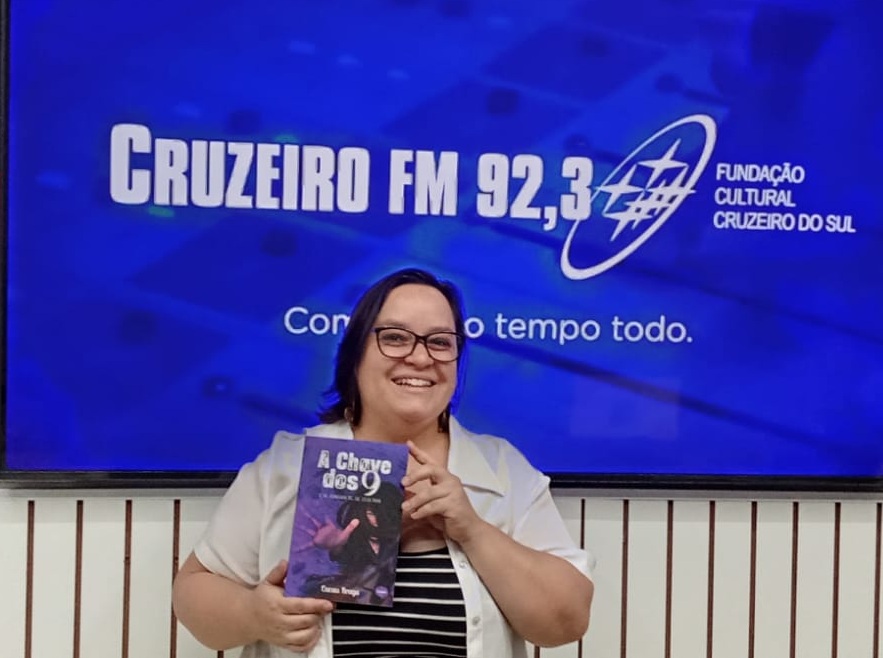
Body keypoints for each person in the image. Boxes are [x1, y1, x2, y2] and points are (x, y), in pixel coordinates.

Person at [172, 267, 594, 658]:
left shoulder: (502, 470)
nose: (420, 358)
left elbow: (566, 622)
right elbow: (193, 594)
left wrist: (473, 529)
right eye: (394, 337)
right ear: (355, 353)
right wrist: (253, 614)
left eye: (440, 342)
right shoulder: (285, 467)